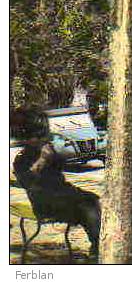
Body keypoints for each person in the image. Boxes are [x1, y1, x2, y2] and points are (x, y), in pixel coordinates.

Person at [13, 110, 101, 260]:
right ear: (26, 137)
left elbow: (61, 172)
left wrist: (54, 155)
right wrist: (41, 161)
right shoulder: (22, 159)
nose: (42, 139)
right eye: (38, 136)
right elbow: (28, 182)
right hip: (45, 204)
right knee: (87, 206)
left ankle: (97, 244)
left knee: (91, 199)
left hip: (63, 197)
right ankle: (96, 248)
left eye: (44, 135)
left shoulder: (49, 151)